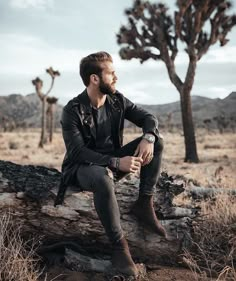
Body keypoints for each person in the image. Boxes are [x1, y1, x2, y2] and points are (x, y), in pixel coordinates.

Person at [55, 51, 167, 277]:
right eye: (111, 73)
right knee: (101, 177)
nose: (116, 78)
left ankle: (144, 203)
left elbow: (148, 118)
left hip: (113, 163)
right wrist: (116, 161)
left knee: (159, 142)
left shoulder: (117, 101)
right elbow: (77, 151)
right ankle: (119, 248)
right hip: (82, 168)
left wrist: (149, 137)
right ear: (95, 79)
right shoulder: (73, 109)